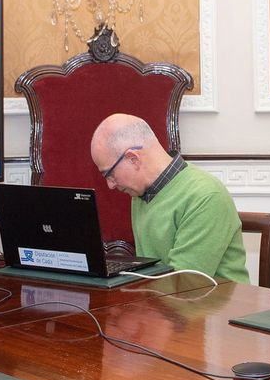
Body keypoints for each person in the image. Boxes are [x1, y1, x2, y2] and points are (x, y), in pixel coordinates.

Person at [89, 113, 249, 283]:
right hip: (164, 303)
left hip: (216, 306)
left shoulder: (206, 196)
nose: (110, 185)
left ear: (133, 159)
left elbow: (185, 284)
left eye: (110, 174)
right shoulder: (141, 193)